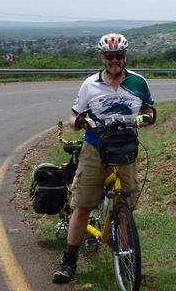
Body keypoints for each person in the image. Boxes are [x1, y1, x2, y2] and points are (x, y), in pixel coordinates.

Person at [53, 33, 155, 284]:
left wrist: (148, 117)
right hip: (95, 149)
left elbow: (149, 108)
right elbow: (73, 116)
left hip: (125, 149)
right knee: (83, 206)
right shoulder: (90, 84)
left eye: (119, 55)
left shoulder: (138, 82)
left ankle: (126, 260)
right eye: (109, 56)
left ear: (125, 56)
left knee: (125, 207)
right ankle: (69, 262)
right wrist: (79, 121)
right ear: (103, 57)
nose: (114, 60)